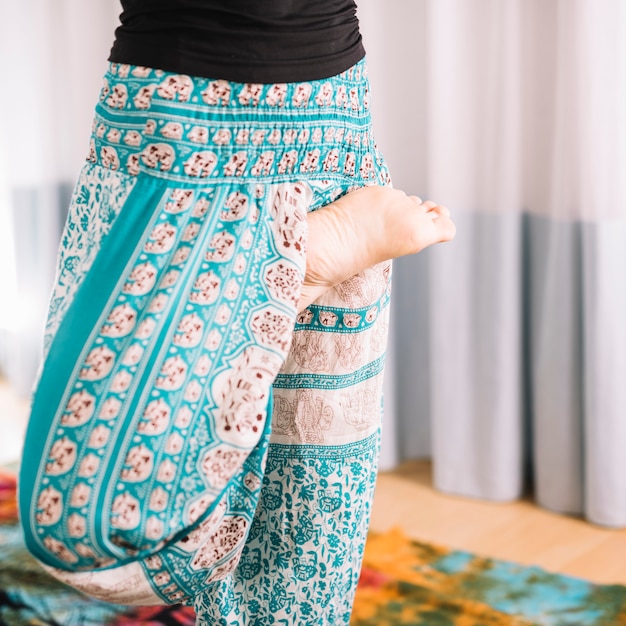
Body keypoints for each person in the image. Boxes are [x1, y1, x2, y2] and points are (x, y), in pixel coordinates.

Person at [18, 1, 455, 623]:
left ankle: (282, 273)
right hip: (303, 135)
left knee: (95, 534)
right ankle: (286, 274)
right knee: (298, 559)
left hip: (175, 148)